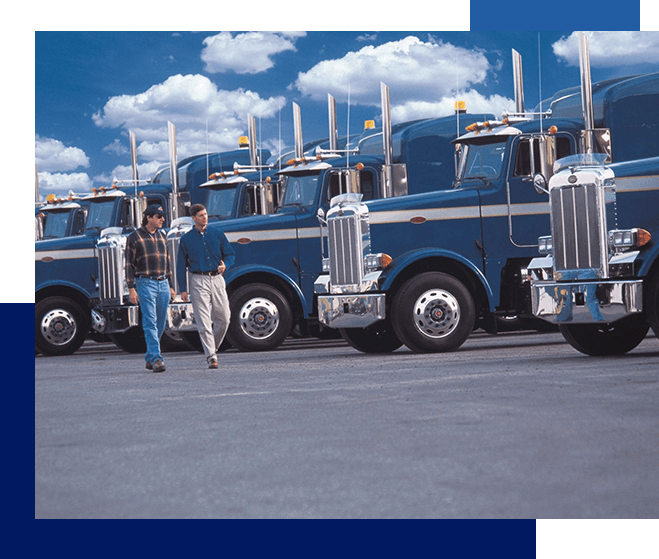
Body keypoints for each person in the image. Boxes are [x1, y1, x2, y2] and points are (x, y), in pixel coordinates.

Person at [177, 203, 235, 369]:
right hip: (197, 280)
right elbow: (181, 265)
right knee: (203, 320)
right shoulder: (186, 239)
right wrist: (183, 288)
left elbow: (230, 254)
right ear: (194, 218)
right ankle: (211, 356)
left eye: (206, 214)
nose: (205, 217)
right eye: (201, 215)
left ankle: (212, 348)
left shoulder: (217, 234)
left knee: (224, 317)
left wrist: (226, 265)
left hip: (217, 279)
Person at [126, 204, 176, 373]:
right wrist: (131, 288)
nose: (162, 219)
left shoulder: (163, 236)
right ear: (149, 217)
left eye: (163, 216)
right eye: (159, 216)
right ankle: (157, 359)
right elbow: (129, 265)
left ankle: (150, 356)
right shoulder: (134, 237)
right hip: (145, 283)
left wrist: (170, 285)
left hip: (163, 283)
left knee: (161, 322)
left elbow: (167, 262)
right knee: (150, 322)